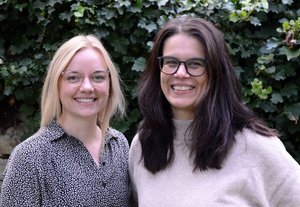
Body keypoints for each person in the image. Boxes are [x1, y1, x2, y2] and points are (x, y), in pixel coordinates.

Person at [129, 16, 300, 206]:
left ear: (216, 72)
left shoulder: (256, 148)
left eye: (195, 64)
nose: (180, 73)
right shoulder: (143, 145)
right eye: (171, 62)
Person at [1, 35, 130, 206]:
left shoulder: (119, 145)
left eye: (98, 77)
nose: (87, 87)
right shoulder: (30, 157)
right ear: (57, 84)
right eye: (73, 77)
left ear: (109, 84)